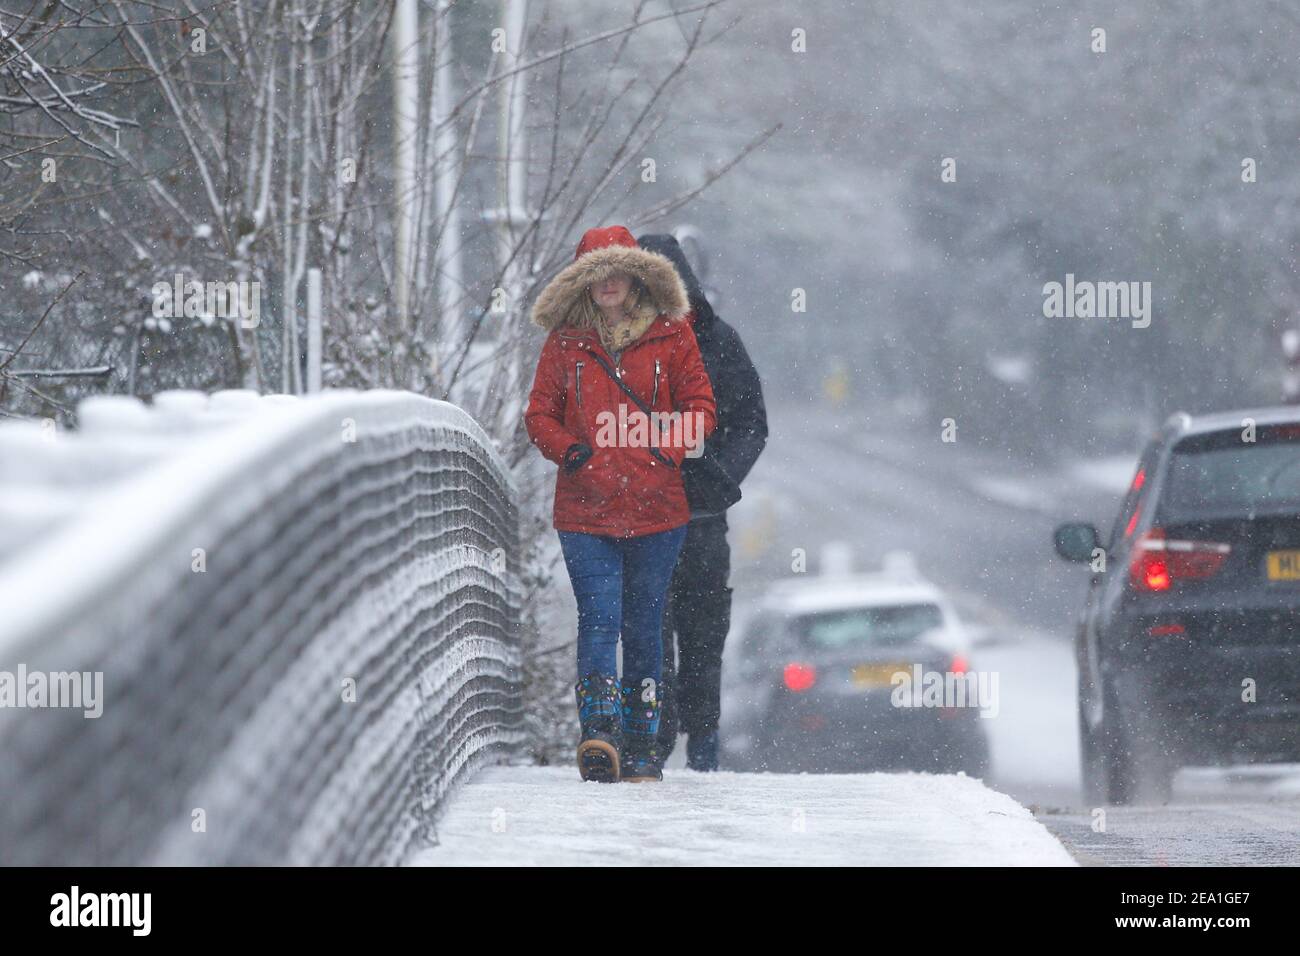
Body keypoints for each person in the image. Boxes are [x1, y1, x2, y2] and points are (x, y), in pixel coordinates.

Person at [524, 225, 717, 782]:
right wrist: (571, 452)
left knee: (644, 626)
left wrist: (668, 447)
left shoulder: (674, 335)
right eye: (594, 274)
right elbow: (539, 413)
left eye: (615, 272)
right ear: (582, 282)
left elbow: (701, 405)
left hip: (658, 510)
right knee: (600, 619)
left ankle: (641, 746)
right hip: (586, 510)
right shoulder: (564, 344)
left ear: (635, 276)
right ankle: (599, 735)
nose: (606, 284)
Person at [637, 234, 768, 772]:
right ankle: (655, 741)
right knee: (647, 632)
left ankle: (702, 744)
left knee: (702, 631)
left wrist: (718, 479)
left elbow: (750, 423)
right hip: (638, 520)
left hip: (701, 518)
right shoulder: (617, 345)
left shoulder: (718, 343)